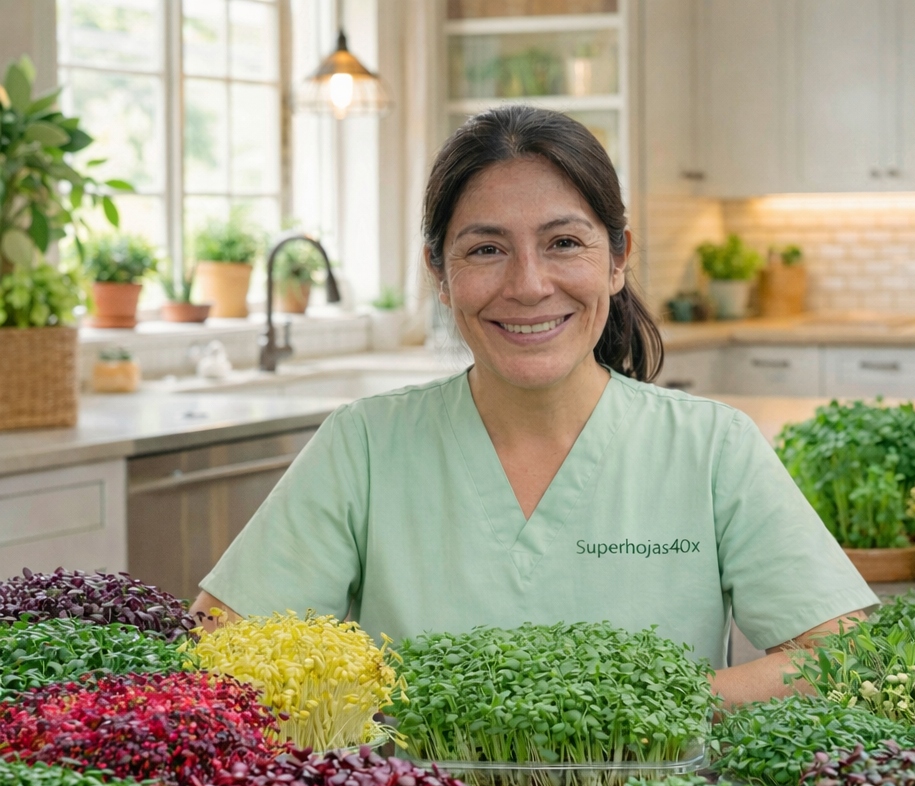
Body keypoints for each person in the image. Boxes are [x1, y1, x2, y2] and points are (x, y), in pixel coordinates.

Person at [192, 105, 876, 706]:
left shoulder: (711, 447)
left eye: (564, 243)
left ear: (617, 260)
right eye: (486, 249)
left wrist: (641, 717)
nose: (528, 285)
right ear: (440, 274)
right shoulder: (364, 445)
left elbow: (841, 654)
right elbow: (221, 647)